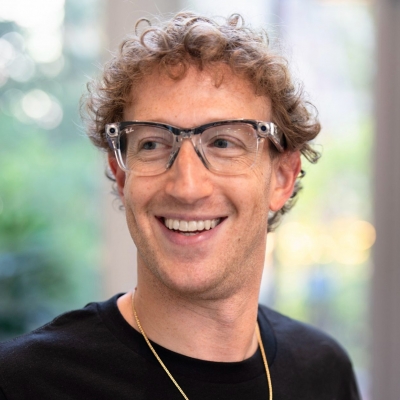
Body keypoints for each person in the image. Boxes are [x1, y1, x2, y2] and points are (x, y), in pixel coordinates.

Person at [0, 11, 360, 400]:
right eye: (152, 144)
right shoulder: (25, 383)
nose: (187, 187)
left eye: (223, 143)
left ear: (282, 178)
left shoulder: (323, 372)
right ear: (122, 176)